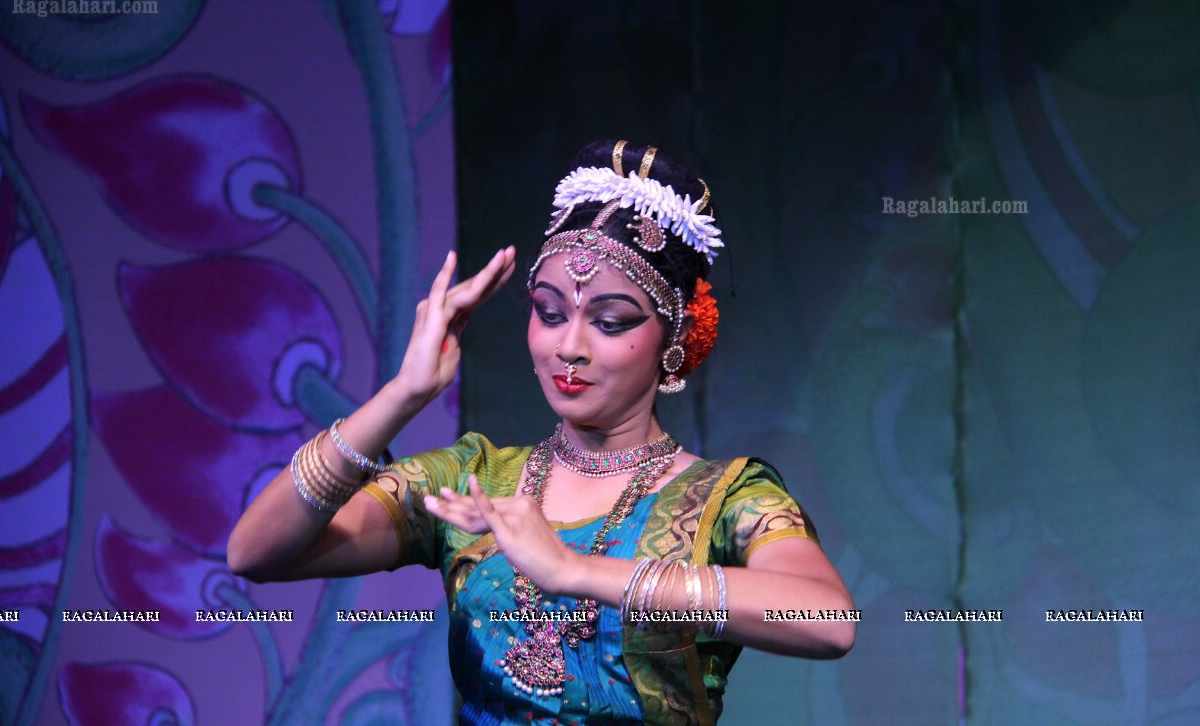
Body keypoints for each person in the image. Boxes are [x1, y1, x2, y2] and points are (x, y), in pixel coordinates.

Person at [227, 139, 855, 725]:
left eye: (609, 323)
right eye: (550, 313)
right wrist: (403, 395)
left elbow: (827, 620)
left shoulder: (725, 496)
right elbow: (255, 554)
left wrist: (575, 571)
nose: (569, 347)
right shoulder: (477, 480)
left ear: (675, 341)